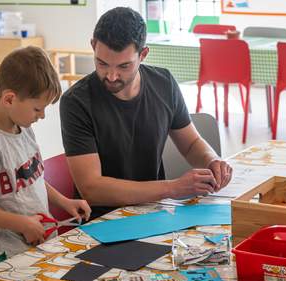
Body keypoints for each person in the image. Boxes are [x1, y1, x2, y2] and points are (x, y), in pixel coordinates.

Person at [60, 7, 232, 218]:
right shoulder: (76, 102)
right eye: (102, 63)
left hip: (154, 212)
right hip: (103, 221)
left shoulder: (164, 83)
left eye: (124, 66)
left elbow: (191, 144)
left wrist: (211, 160)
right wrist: (172, 188)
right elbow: (92, 189)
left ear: (143, 54)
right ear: (93, 46)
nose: (112, 76)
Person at [0, 46, 91, 266]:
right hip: (8, 255)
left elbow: (31, 177)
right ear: (10, 99)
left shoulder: (23, 128)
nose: (42, 116)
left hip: (36, 247)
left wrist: (64, 201)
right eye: (37, 109)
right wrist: (22, 224)